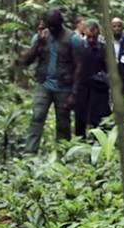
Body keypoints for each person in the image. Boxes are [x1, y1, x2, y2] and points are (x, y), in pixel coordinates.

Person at [22, 9, 82, 153]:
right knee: (37, 116)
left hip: (64, 86)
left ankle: (63, 154)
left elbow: (79, 67)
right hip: (43, 83)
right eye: (50, 26)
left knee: (63, 122)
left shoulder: (72, 39)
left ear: (61, 22)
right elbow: (26, 60)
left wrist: (74, 93)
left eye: (55, 25)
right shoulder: (41, 36)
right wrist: (38, 42)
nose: (52, 29)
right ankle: (30, 152)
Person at [73, 20, 111, 137]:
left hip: (99, 89)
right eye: (89, 37)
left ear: (98, 34)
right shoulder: (80, 48)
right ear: (85, 33)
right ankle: (80, 142)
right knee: (80, 117)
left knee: (99, 118)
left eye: (94, 38)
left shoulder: (104, 49)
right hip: (82, 88)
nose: (91, 40)